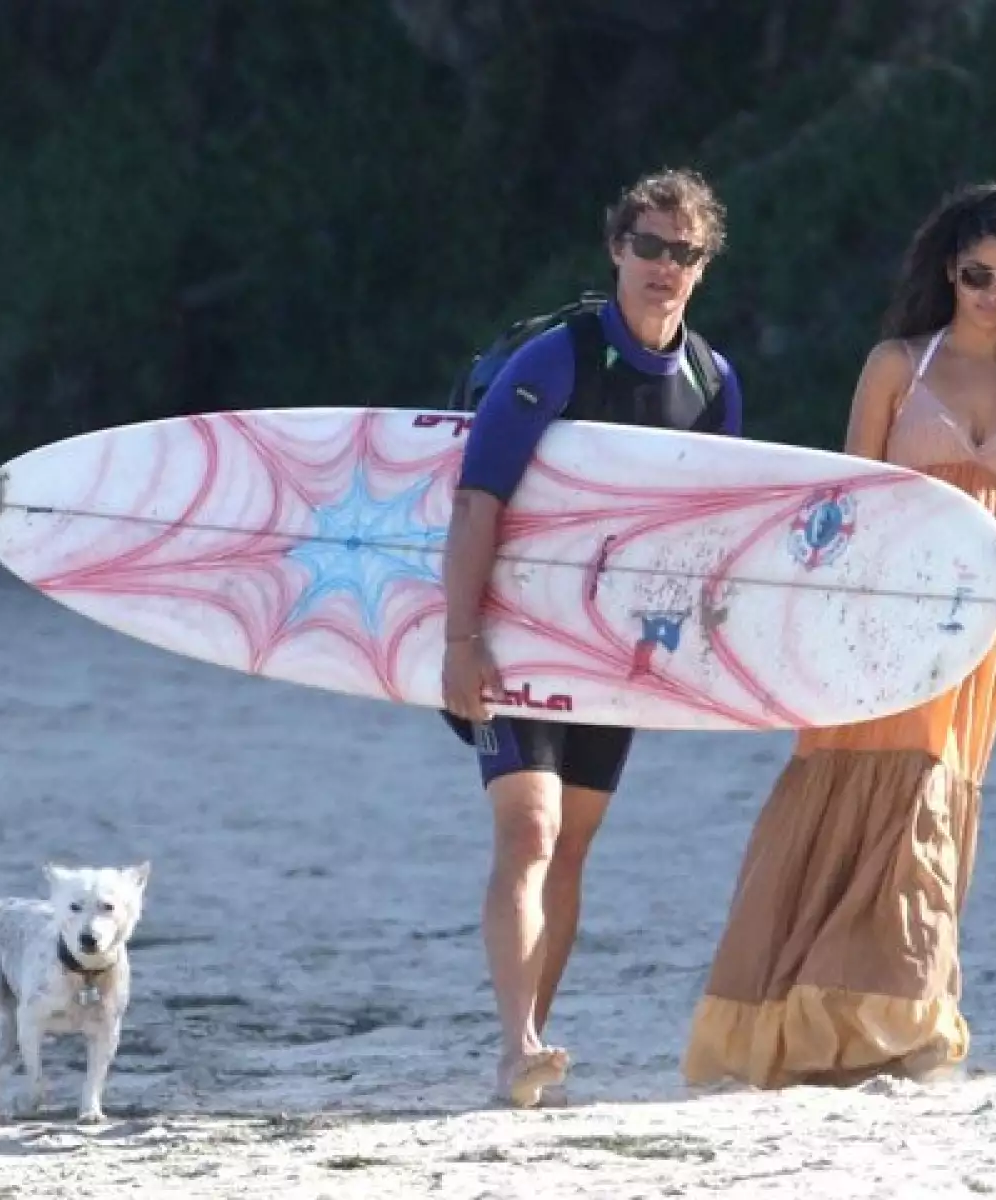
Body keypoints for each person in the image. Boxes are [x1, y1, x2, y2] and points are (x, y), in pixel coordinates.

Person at [681, 180, 996, 1090]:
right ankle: (809, 1017)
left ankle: (895, 1020)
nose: (993, 293)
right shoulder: (897, 364)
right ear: (949, 270)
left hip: (983, 619)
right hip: (882, 609)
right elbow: (845, 501)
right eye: (977, 274)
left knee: (932, 795)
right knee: (858, 780)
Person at [440, 167, 745, 1107]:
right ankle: (518, 1041)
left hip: (616, 647)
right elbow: (478, 497)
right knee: (527, 828)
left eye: (683, 252)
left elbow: (709, 536)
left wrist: (698, 662)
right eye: (648, 246)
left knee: (571, 844)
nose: (664, 267)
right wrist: (460, 639)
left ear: (702, 266)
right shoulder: (559, 360)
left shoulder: (712, 382)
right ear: (618, 248)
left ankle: (533, 1035)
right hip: (510, 629)